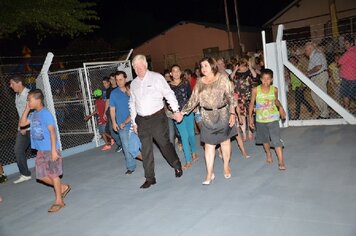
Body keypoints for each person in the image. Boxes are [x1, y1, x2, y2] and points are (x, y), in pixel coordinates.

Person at [181, 57, 237, 185]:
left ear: (212, 66)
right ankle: (209, 173)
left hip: (223, 114)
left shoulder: (222, 78)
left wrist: (233, 113)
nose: (203, 69)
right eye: (201, 66)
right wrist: (182, 112)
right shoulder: (200, 82)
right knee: (208, 146)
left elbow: (230, 96)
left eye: (205, 65)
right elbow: (193, 100)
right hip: (207, 117)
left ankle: (226, 166)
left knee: (225, 142)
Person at [129, 54, 183, 189]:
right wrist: (134, 123)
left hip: (157, 117)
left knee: (164, 144)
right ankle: (150, 178)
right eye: (136, 67)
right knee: (146, 150)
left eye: (140, 66)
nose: (138, 69)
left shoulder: (156, 77)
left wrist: (176, 110)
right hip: (141, 120)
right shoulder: (134, 84)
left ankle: (176, 165)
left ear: (146, 66)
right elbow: (132, 103)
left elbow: (168, 93)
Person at [19, 89, 71, 213]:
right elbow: (22, 124)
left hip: (50, 148)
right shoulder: (33, 114)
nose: (28, 102)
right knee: (41, 176)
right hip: (40, 151)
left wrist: (54, 151)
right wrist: (26, 109)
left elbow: (52, 132)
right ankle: (63, 187)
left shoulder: (46, 113)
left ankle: (59, 201)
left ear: (38, 100)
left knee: (54, 175)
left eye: (29, 99)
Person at [249, 69, 286, 171]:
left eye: (268, 79)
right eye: (264, 79)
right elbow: (252, 104)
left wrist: (281, 108)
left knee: (276, 139)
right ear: (260, 79)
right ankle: (268, 153)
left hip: (273, 118)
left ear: (271, 79)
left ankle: (281, 161)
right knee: (265, 141)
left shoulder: (274, 89)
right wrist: (250, 118)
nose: (266, 81)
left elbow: (276, 100)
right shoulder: (255, 90)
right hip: (260, 120)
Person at [169, 65, 198, 170]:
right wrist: (171, 113)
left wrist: (194, 107)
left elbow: (190, 96)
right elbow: (167, 102)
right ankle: (188, 160)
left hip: (188, 112)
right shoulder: (168, 86)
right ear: (171, 74)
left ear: (180, 72)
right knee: (184, 136)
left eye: (178, 71)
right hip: (177, 114)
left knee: (191, 133)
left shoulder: (185, 82)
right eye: (174, 71)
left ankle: (194, 151)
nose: (176, 73)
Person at [110, 71, 137, 175]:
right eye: (117, 80)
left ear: (125, 78)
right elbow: (112, 109)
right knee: (126, 146)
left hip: (135, 122)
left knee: (138, 145)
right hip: (122, 124)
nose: (119, 82)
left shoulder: (131, 90)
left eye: (121, 79)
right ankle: (131, 166)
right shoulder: (114, 93)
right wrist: (113, 122)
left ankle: (146, 161)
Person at [9, 75, 32, 184]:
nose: (10, 86)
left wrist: (25, 126)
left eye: (12, 84)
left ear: (19, 83)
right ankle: (25, 174)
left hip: (32, 128)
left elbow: (33, 112)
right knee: (18, 150)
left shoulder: (29, 95)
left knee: (42, 149)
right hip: (22, 129)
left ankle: (52, 167)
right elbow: (21, 113)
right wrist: (21, 127)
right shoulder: (17, 95)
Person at [230, 57, 259, 141]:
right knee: (242, 115)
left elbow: (256, 77)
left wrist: (250, 68)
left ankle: (250, 132)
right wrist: (235, 70)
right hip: (239, 97)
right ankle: (244, 134)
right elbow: (230, 78)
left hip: (249, 97)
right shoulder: (236, 74)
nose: (242, 67)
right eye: (240, 65)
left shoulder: (250, 72)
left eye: (244, 65)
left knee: (250, 115)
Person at [305, 42, 330, 119]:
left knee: (320, 95)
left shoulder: (316, 55)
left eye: (306, 50)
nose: (305, 52)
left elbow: (318, 67)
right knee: (315, 95)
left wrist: (308, 73)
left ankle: (325, 114)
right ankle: (324, 112)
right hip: (317, 76)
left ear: (310, 49)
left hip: (319, 76)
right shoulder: (314, 55)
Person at [103, 76, 122, 152]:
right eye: (111, 79)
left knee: (122, 129)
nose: (112, 80)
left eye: (113, 79)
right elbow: (107, 101)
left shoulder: (119, 88)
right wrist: (104, 112)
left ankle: (124, 144)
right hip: (111, 113)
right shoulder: (109, 90)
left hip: (120, 112)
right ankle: (120, 144)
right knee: (112, 131)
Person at [338, 35, 356, 110]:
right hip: (353, 77)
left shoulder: (349, 53)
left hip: (348, 78)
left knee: (346, 95)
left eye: (346, 43)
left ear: (351, 44)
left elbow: (339, 62)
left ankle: (346, 110)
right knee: (352, 95)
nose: (345, 45)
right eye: (344, 44)